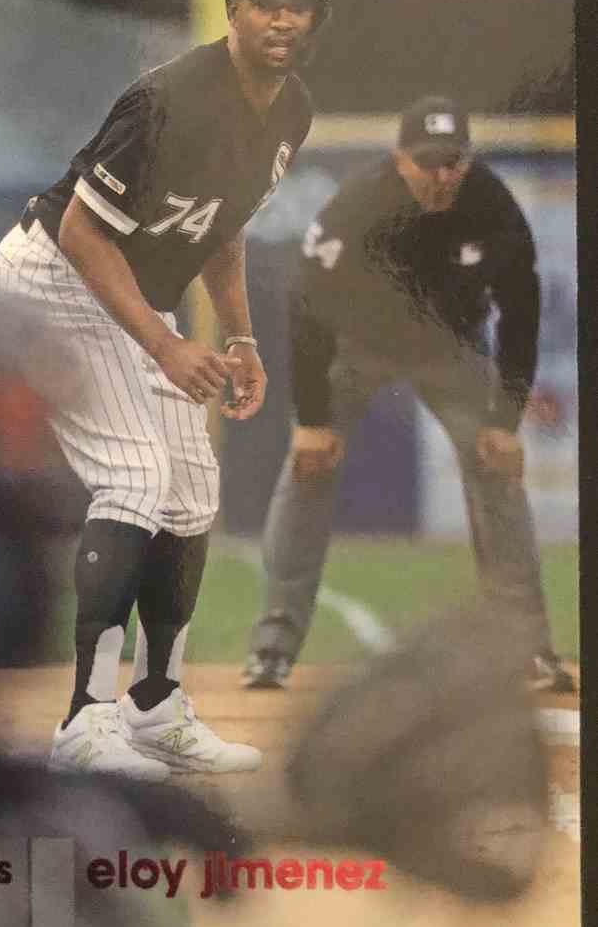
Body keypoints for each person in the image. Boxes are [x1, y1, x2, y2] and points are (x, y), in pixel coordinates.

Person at [0, 0, 330, 777]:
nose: (283, 18)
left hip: (134, 295)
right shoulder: (169, 99)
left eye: (299, 6)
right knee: (136, 473)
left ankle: (154, 706)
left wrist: (240, 339)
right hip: (55, 275)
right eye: (267, 2)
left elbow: (223, 227)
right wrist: (166, 342)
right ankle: (85, 721)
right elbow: (81, 231)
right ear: (233, 10)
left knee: (190, 493)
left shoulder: (292, 110)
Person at [242, 95, 574, 694]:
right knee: (308, 466)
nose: (441, 175)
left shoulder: (491, 205)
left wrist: (505, 420)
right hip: (358, 345)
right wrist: (312, 420)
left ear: (468, 160)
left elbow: (521, 308)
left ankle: (527, 649)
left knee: (497, 465)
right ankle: (272, 648)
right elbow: (307, 304)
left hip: (451, 349)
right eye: (428, 162)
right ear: (400, 159)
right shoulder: (361, 203)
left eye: (453, 162)